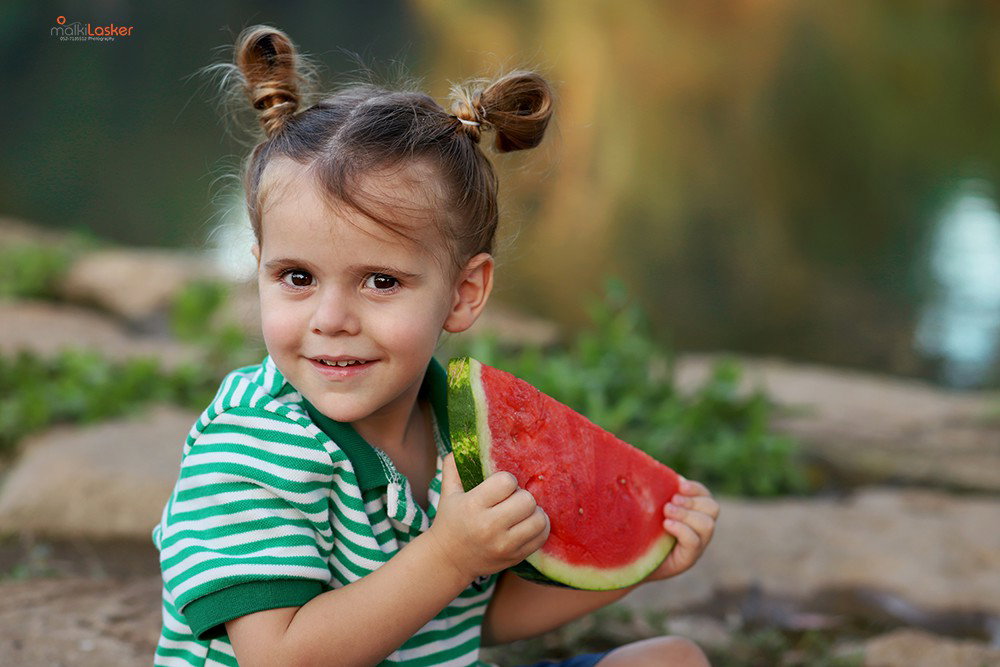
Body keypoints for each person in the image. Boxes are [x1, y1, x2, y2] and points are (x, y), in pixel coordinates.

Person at [153, 24, 719, 667]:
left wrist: (641, 561)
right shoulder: (252, 449)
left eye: (381, 281)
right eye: (297, 277)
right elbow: (279, 656)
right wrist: (450, 554)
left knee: (672, 659)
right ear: (258, 268)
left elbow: (472, 619)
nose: (331, 318)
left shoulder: (457, 420)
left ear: (463, 293)